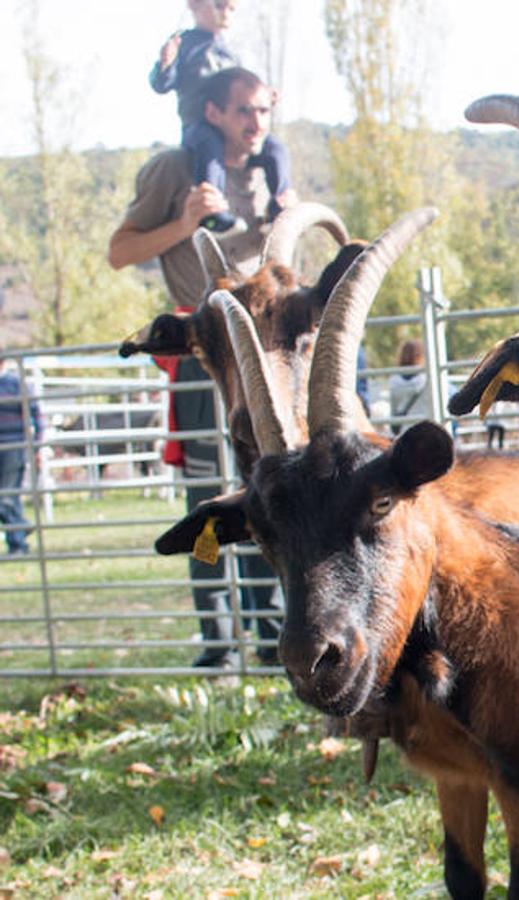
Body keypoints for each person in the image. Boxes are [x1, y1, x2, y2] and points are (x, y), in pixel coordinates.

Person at [108, 66, 287, 668]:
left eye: (262, 111)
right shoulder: (174, 169)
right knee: (208, 498)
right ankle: (217, 641)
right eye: (243, 112)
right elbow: (120, 250)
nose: (255, 124)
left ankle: (268, 636)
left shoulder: (269, 172)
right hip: (205, 353)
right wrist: (184, 224)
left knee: (270, 490)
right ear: (212, 113)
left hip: (265, 356)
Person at [150, 0, 292, 232]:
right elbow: (162, 83)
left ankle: (279, 205)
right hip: (199, 126)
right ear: (194, 6)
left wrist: (263, 96)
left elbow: (243, 86)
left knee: (275, 149)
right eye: (218, 5)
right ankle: (212, 213)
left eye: (231, 9)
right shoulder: (185, 45)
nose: (225, 14)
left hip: (233, 128)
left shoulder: (229, 51)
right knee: (209, 147)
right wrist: (165, 64)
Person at [0, 360, 42, 556]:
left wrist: (36, 443)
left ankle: (18, 539)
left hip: (13, 445)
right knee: (8, 497)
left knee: (7, 496)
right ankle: (19, 533)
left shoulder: (16, 384)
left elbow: (35, 413)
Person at [389, 339, 431, 435]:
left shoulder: (393, 381)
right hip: (425, 429)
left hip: (404, 433)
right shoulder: (427, 380)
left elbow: (393, 411)